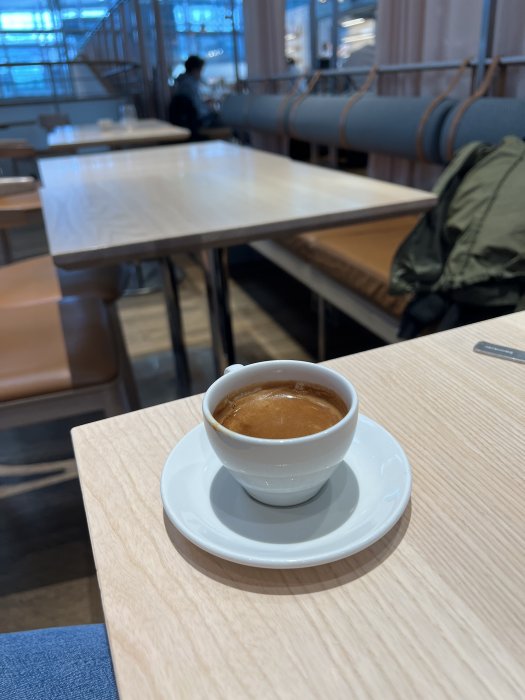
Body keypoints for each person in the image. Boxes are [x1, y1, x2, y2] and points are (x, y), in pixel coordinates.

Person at [169, 55, 222, 131]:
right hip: (197, 123)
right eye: (200, 71)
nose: (200, 74)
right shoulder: (189, 85)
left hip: (188, 122)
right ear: (195, 70)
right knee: (226, 120)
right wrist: (211, 110)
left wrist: (204, 103)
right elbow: (200, 111)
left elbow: (192, 105)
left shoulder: (181, 82)